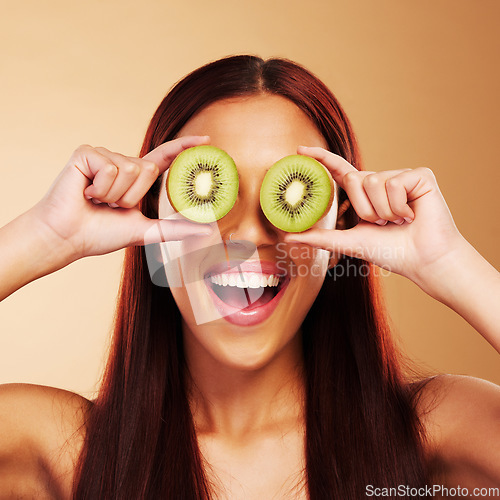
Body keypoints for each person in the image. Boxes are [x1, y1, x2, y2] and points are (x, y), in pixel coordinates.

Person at [0, 55, 499, 499]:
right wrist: (46, 237)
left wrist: (448, 263)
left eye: (289, 199)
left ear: (343, 220)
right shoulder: (63, 450)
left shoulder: (433, 435)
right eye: (211, 195)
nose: (249, 234)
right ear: (152, 211)